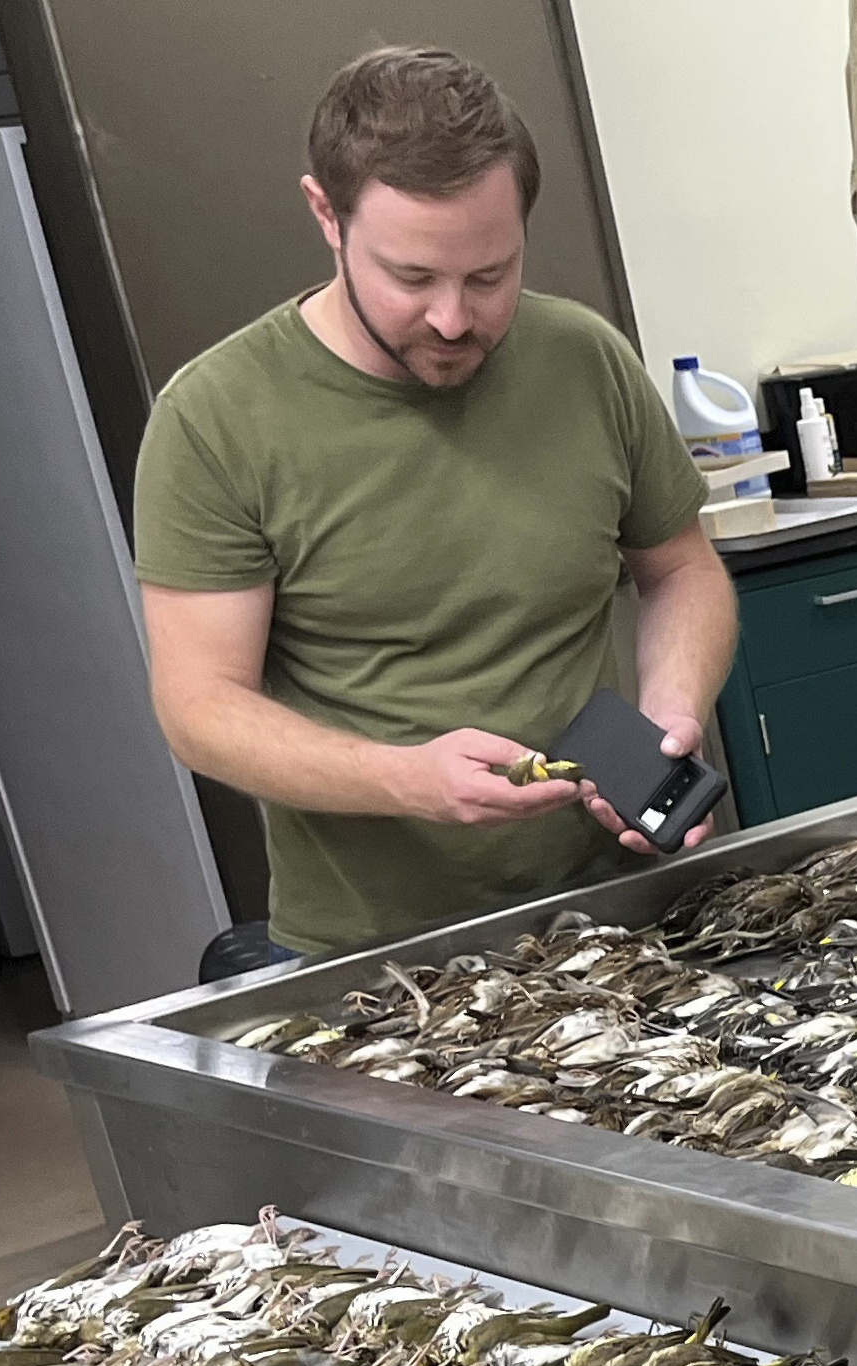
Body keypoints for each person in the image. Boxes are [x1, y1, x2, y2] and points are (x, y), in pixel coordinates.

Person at [134, 45, 737, 962]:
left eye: (490, 276)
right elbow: (199, 705)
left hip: (623, 903)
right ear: (325, 214)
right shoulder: (215, 418)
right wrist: (404, 779)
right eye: (412, 278)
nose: (454, 319)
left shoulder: (585, 359)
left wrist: (669, 715)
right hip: (375, 949)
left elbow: (682, 569)